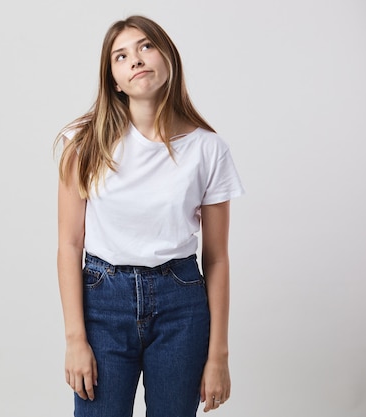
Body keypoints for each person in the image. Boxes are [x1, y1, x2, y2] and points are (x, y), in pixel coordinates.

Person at [54, 15, 244, 417]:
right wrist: (75, 339)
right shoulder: (85, 144)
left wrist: (218, 357)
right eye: (121, 56)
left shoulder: (208, 150)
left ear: (167, 57)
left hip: (181, 304)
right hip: (103, 301)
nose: (136, 60)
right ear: (115, 81)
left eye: (145, 47)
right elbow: (69, 245)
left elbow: (217, 258)